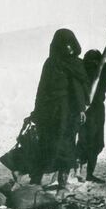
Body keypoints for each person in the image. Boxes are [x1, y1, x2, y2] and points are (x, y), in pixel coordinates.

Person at [30, 28, 88, 189]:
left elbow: (80, 89)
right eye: (64, 44)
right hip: (49, 112)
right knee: (46, 146)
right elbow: (42, 89)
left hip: (69, 112)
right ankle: (36, 182)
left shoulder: (77, 63)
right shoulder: (51, 64)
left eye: (70, 43)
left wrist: (81, 109)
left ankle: (62, 183)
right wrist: (36, 111)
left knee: (67, 146)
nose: (68, 47)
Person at [77, 44, 106, 182]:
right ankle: (83, 172)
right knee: (90, 142)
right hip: (88, 110)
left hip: (92, 110)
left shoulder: (98, 76)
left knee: (93, 142)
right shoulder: (89, 76)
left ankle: (85, 173)